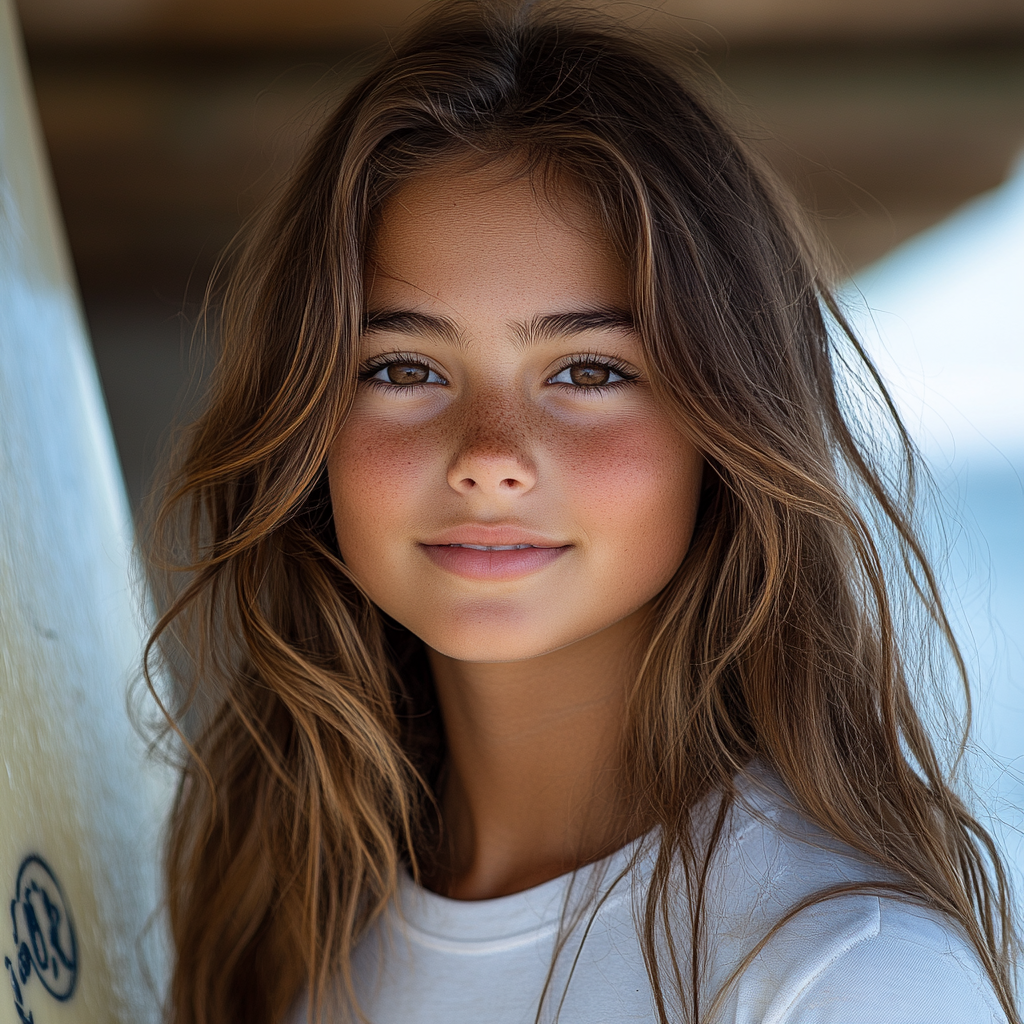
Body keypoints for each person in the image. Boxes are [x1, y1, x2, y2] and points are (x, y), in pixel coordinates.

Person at [144, 2, 1021, 1022]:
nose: (489, 457)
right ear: (308, 426)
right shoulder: (286, 924)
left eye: (589, 369)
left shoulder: (845, 976)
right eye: (403, 366)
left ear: (726, 420)